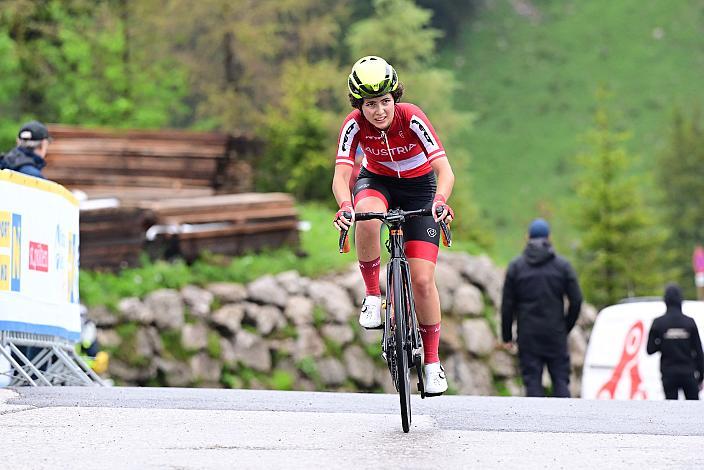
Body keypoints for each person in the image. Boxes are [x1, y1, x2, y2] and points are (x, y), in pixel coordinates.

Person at [332, 56, 455, 395]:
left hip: (420, 190)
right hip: (377, 182)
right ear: (360, 105)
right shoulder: (354, 125)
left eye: (385, 101)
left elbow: (445, 171)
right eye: (371, 104)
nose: (380, 111)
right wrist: (345, 205)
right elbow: (342, 175)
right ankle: (373, 296)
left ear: (395, 99)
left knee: (422, 281)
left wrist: (441, 201)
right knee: (365, 216)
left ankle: (431, 364)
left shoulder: (413, 117)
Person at [501, 218, 583, 397]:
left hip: (528, 334)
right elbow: (576, 300)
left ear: (527, 237)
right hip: (555, 332)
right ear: (549, 237)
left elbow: (507, 304)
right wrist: (565, 326)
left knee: (532, 381)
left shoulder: (516, 267)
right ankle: (565, 422)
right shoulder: (562, 266)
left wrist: (507, 336)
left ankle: (535, 423)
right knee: (561, 379)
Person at [646, 283, 704, 400]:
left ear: (665, 300)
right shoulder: (689, 322)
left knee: (671, 410)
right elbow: (698, 351)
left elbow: (650, 349)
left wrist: (664, 341)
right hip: (688, 373)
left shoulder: (658, 323)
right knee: (693, 410)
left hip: (669, 374)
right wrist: (701, 376)